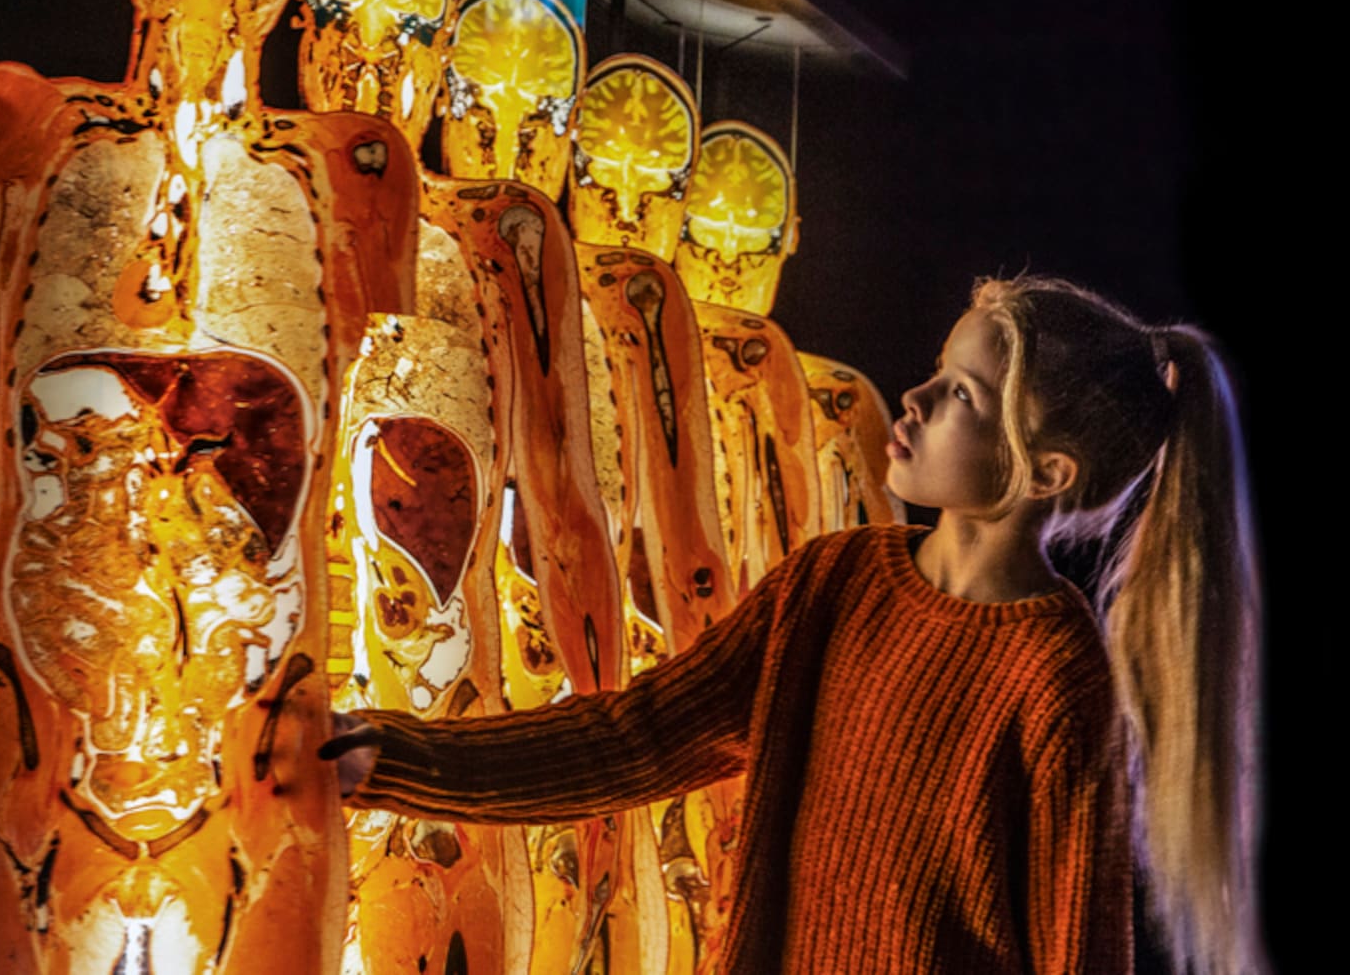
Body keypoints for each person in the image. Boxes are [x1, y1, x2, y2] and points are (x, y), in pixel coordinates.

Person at [321, 274, 1267, 974]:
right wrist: (394, 759)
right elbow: (635, 737)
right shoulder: (833, 583)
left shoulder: (1057, 683)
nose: (917, 401)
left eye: (963, 398)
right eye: (938, 374)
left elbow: (1080, 954)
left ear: (1045, 471)